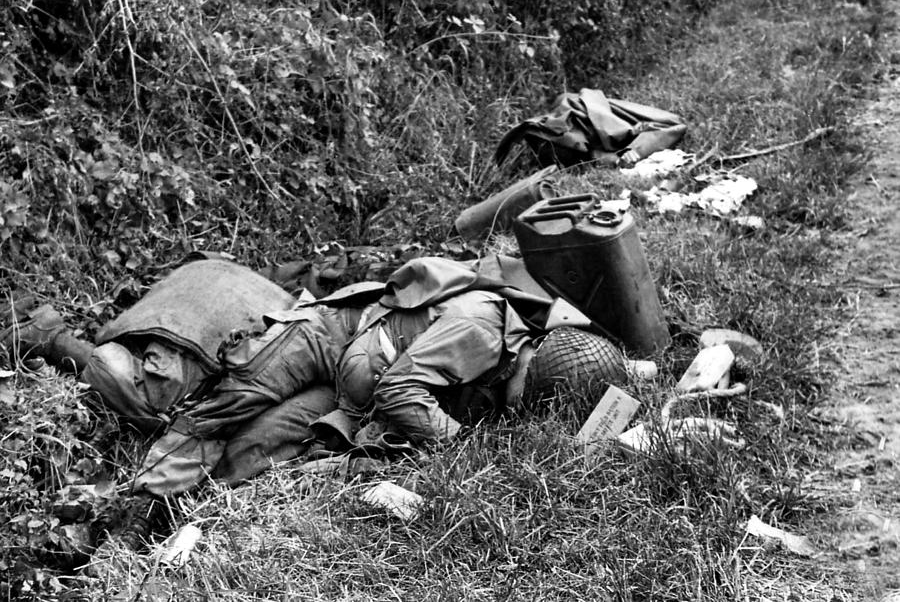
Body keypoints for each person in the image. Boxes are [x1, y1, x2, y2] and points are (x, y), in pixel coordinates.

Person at [2, 255, 634, 497]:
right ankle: (133, 504)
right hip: (328, 337)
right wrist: (456, 444)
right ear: (533, 365)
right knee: (221, 410)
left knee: (256, 449)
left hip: (349, 382)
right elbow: (401, 390)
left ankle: (182, 507)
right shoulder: (483, 328)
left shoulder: (519, 351)